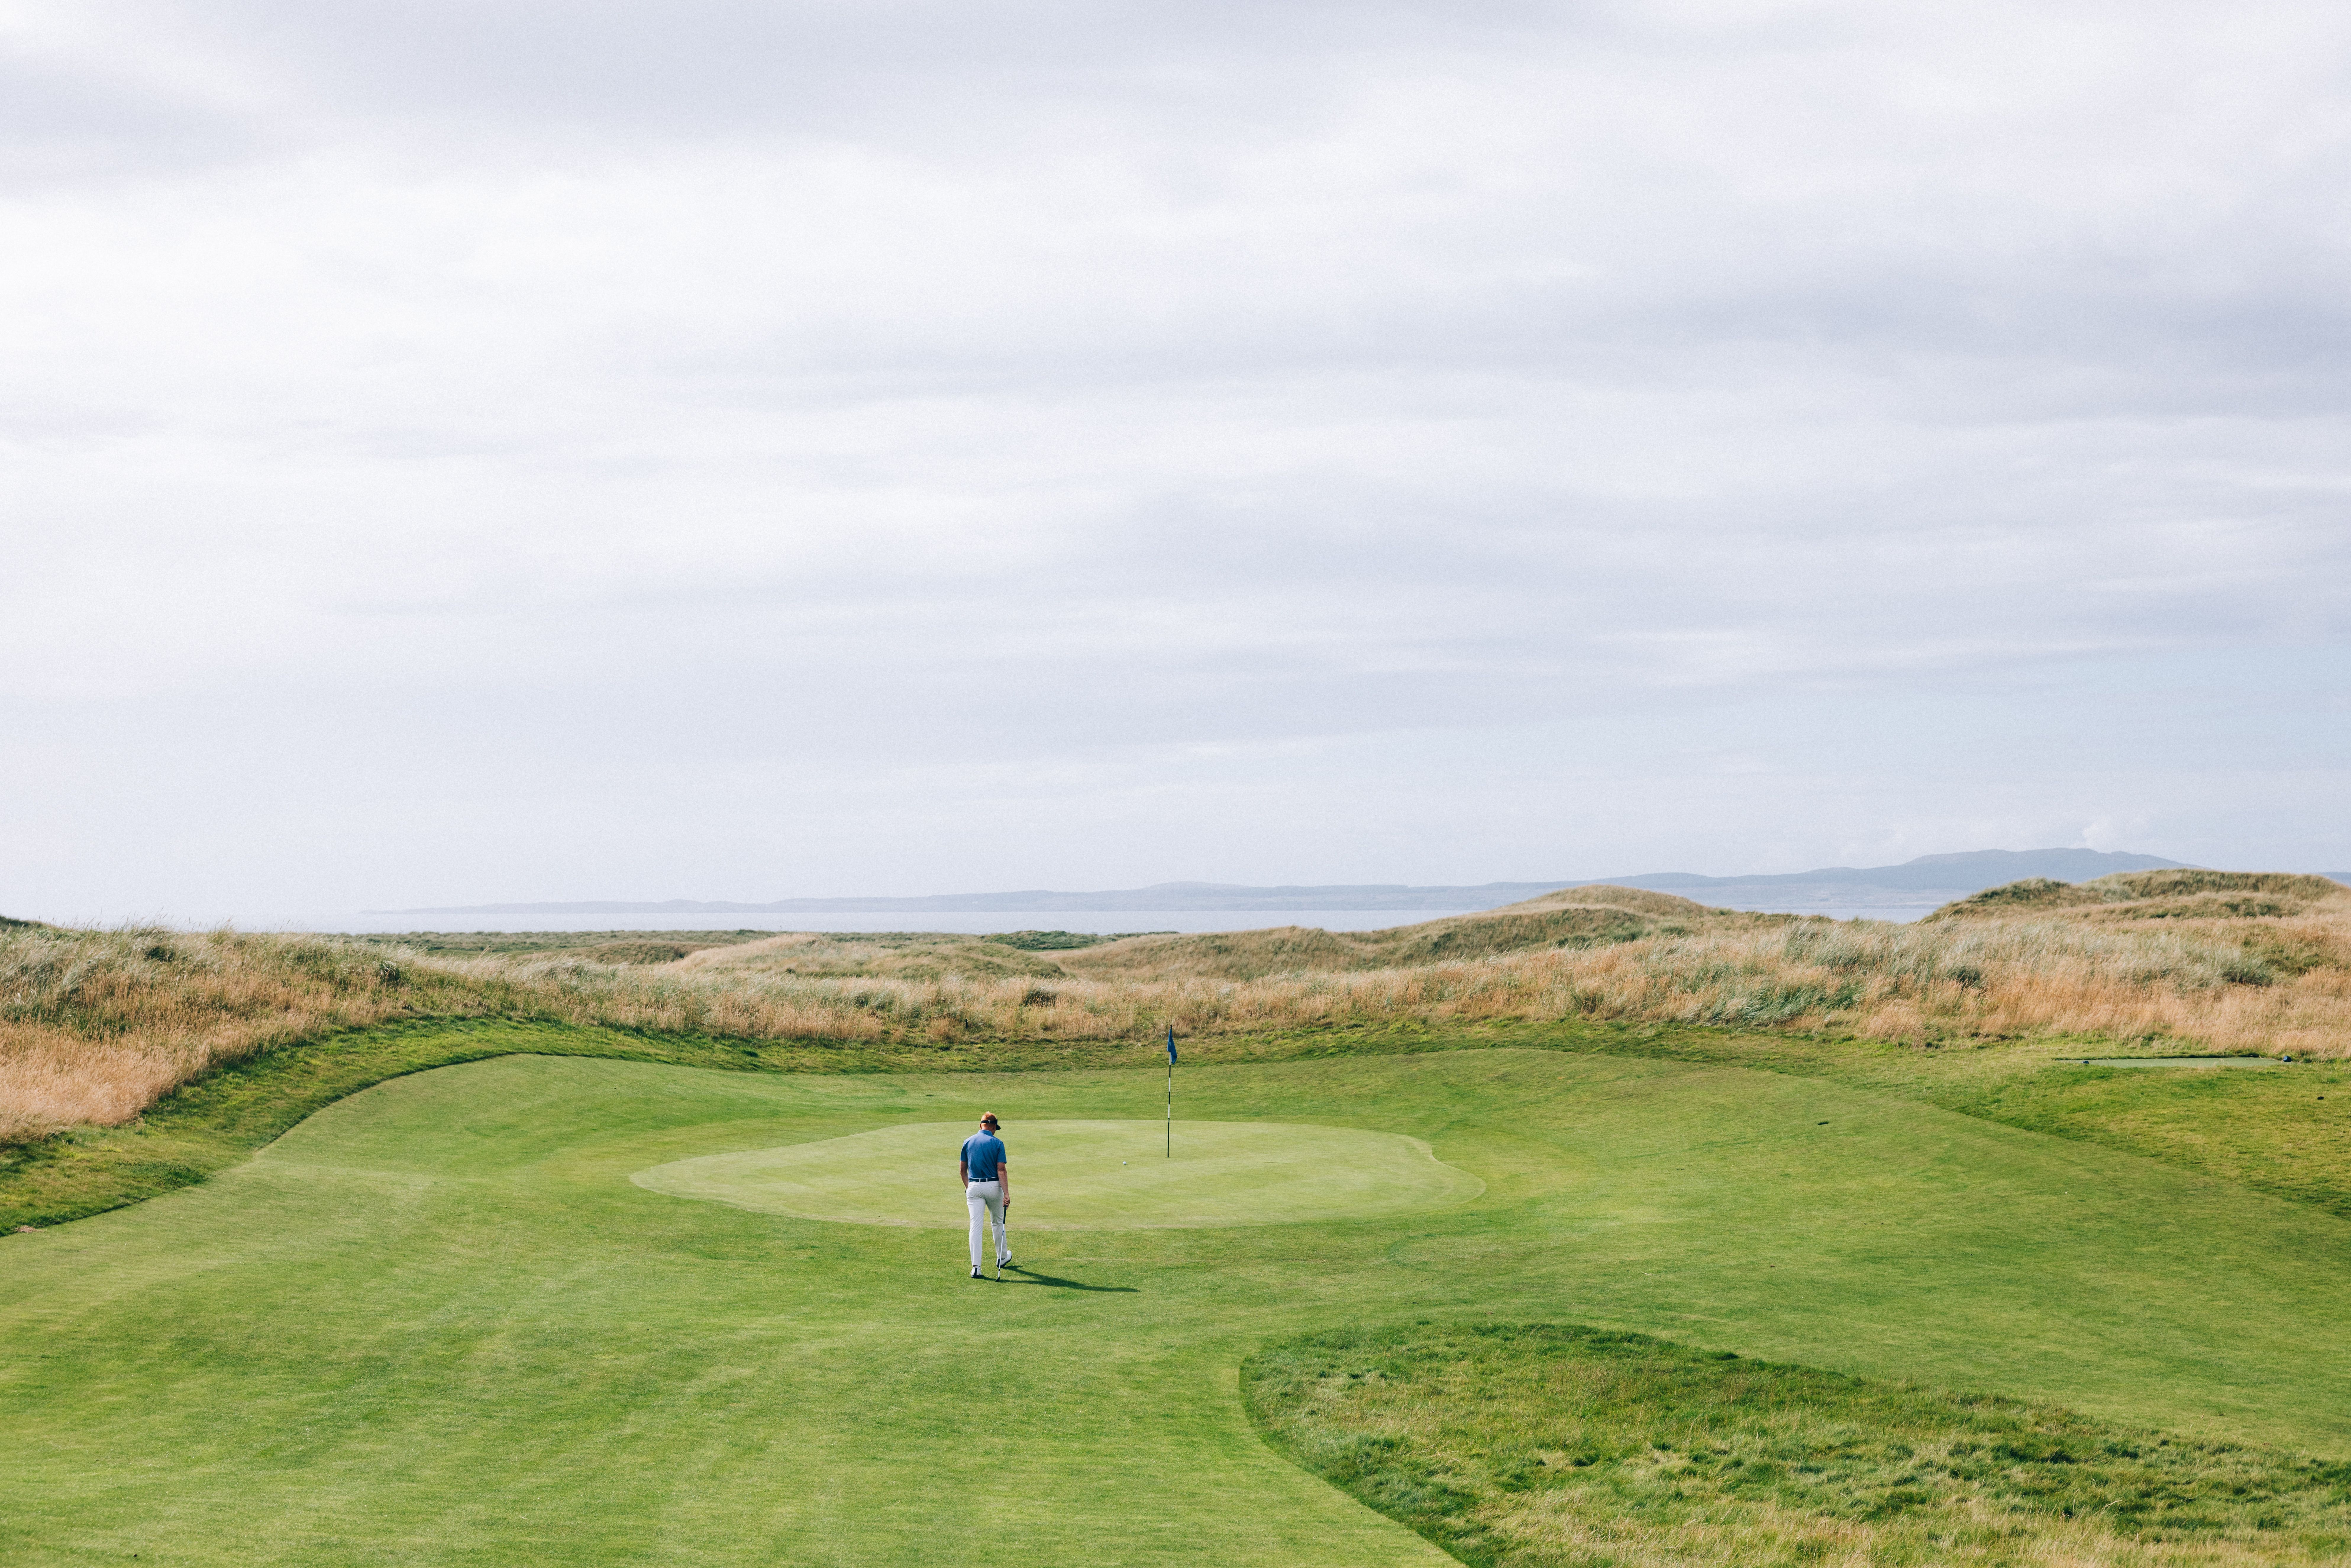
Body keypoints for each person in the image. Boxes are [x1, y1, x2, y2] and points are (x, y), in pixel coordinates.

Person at [959, 1112, 1011, 1278]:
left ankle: (976, 1268)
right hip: (994, 1187)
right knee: (997, 1223)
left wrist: (970, 1188)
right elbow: (1001, 1170)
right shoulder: (997, 1143)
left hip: (974, 1186)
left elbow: (963, 1171)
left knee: (976, 1226)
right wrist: (1007, 1194)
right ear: (994, 1127)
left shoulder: (968, 1141)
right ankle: (1002, 1258)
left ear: (981, 1125)